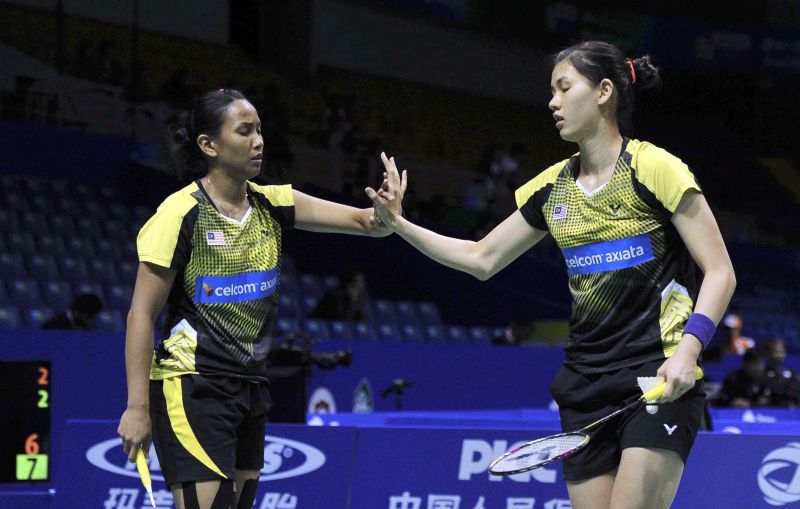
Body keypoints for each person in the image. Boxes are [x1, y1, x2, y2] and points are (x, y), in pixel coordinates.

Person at [367, 41, 736, 509]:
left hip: (657, 375)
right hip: (584, 384)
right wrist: (400, 224)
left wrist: (689, 350)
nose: (552, 102)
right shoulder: (550, 188)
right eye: (552, 91)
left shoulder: (653, 168)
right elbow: (482, 258)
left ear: (604, 92)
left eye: (564, 88)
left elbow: (720, 272)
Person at [117, 89, 400, 509]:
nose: (258, 141)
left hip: (251, 382)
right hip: (194, 384)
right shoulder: (179, 214)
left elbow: (367, 223)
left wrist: (388, 211)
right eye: (245, 131)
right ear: (208, 145)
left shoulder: (273, 203)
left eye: (260, 131)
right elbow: (141, 313)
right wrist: (137, 405)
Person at [762, 337, 800, 407]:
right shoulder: (761, 373)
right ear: (767, 353)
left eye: (781, 352)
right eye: (775, 352)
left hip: (787, 411)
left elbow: (796, 392)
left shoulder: (792, 373)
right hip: (766, 410)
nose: (779, 355)